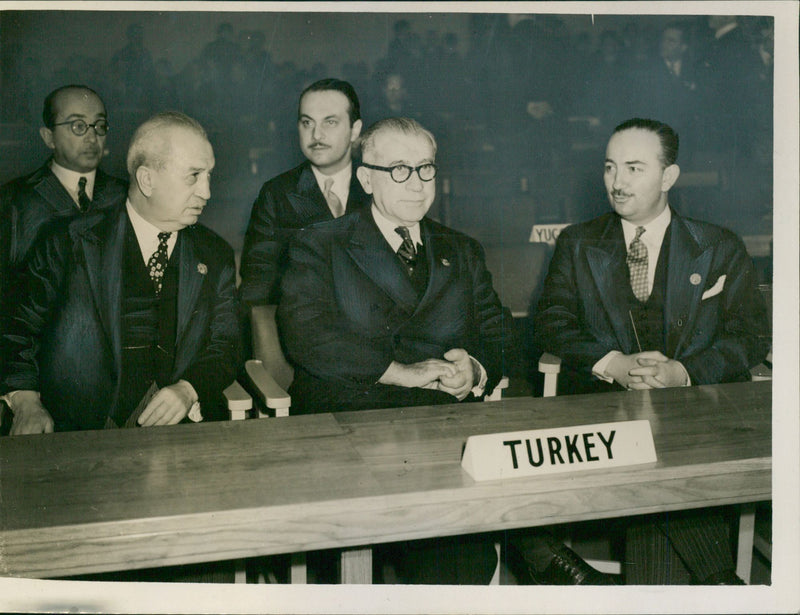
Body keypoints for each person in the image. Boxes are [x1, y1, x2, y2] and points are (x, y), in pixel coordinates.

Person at [532, 118, 770, 584]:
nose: (617, 183)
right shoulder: (578, 243)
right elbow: (551, 322)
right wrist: (613, 364)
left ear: (668, 177)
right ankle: (721, 580)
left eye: (634, 168)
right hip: (604, 410)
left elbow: (750, 336)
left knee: (658, 462)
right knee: (651, 460)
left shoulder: (717, 246)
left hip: (695, 409)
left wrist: (683, 372)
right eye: (609, 168)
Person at [277, 117, 512, 583]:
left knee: (461, 567)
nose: (418, 184)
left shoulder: (461, 249)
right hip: (348, 423)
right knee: (343, 575)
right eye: (399, 170)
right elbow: (308, 336)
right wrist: (398, 372)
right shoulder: (319, 244)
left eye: (426, 169)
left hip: (437, 431)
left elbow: (500, 331)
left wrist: (475, 369)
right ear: (366, 179)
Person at [2, 111, 241, 435]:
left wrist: (189, 389)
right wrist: (27, 403)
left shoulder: (215, 254)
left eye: (209, 176)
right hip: (77, 433)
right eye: (194, 176)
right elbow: (17, 329)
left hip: (181, 433)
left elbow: (226, 345)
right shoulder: (68, 241)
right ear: (147, 179)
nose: (207, 192)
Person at [239, 78, 371, 307]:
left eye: (330, 122)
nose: (316, 135)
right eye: (307, 123)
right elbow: (257, 283)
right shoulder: (277, 194)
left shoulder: (377, 186)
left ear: (354, 130)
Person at [0, 85, 127, 319]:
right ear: (49, 138)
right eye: (78, 126)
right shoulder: (14, 201)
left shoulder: (126, 196)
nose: (92, 137)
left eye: (100, 125)